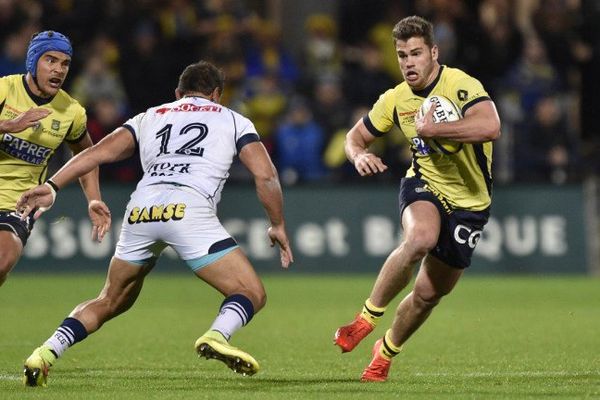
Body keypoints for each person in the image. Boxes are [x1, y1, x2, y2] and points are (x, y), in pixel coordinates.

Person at [17, 60, 294, 387]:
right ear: (217, 94)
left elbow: (95, 154)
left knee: (109, 300)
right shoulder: (234, 119)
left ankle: (46, 352)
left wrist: (51, 186)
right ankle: (217, 335)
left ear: (178, 93)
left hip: (141, 210)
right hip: (188, 209)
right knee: (250, 292)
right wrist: (276, 223)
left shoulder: (149, 116)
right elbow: (266, 174)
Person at [333, 16, 501, 382]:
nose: (409, 62)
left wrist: (434, 129)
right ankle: (365, 318)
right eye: (401, 55)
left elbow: (490, 126)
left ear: (434, 53)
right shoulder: (395, 99)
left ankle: (386, 351)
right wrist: (359, 155)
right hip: (425, 183)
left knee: (429, 294)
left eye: (416, 53)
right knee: (420, 238)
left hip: (470, 204)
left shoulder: (460, 84)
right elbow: (354, 137)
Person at [0, 30, 111, 288]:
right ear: (32, 61)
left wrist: (94, 199)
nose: (58, 70)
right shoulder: (5, 89)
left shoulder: (71, 112)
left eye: (65, 63)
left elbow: (87, 156)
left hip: (18, 204)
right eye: (50, 60)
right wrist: (7, 125)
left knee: (3, 260)